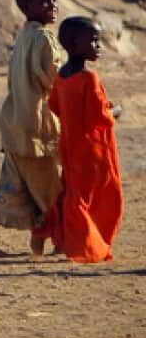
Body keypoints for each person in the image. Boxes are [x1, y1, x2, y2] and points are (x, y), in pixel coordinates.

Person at [0, 0, 63, 259]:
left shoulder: (25, 35)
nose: (52, 6)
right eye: (45, 2)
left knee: (11, 185)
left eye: (54, 1)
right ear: (26, 7)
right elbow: (54, 80)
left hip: (13, 123)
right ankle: (63, 240)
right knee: (51, 189)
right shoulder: (44, 39)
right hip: (36, 129)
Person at [33, 17, 123, 262]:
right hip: (94, 149)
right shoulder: (88, 77)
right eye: (93, 40)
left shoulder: (62, 76)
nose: (98, 46)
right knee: (98, 197)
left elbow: (55, 105)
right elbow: (100, 116)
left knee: (72, 193)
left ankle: (56, 236)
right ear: (74, 43)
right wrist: (115, 110)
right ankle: (84, 245)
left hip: (70, 145)